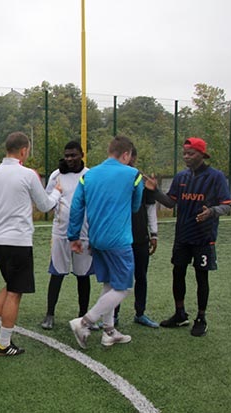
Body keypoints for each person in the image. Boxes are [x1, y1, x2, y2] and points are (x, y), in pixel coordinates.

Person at [0, 132, 60, 356]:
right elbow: (45, 205)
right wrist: (57, 193)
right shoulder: (28, 174)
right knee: (15, 291)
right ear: (24, 150)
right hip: (18, 241)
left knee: (11, 283)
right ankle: (4, 344)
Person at [145, 137, 231, 337]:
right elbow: (170, 203)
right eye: (184, 153)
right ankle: (180, 313)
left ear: (202, 154)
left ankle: (201, 318)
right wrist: (155, 190)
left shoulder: (216, 177)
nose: (186, 157)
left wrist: (211, 211)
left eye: (190, 153)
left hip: (204, 237)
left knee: (201, 276)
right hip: (182, 236)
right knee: (178, 272)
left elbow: (227, 206)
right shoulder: (181, 177)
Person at [68, 135, 143, 349]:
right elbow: (135, 205)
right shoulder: (133, 174)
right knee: (124, 287)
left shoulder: (89, 175)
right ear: (126, 154)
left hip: (96, 239)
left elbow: (76, 206)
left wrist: (74, 236)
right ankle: (84, 322)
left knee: (110, 283)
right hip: (118, 240)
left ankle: (109, 332)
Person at [40, 141, 94, 331]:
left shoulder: (90, 175)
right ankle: (49, 314)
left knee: (83, 276)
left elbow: (94, 204)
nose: (70, 159)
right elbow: (48, 200)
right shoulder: (57, 175)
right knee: (57, 273)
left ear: (82, 155)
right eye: (67, 155)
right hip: (61, 233)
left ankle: (83, 316)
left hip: (84, 234)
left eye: (73, 155)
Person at [113, 147, 160, 328]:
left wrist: (153, 234)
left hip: (140, 237)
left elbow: (150, 207)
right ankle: (113, 315)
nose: (128, 159)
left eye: (131, 155)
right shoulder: (114, 178)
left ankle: (140, 313)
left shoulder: (142, 179)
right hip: (119, 237)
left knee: (141, 276)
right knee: (118, 277)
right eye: (125, 155)